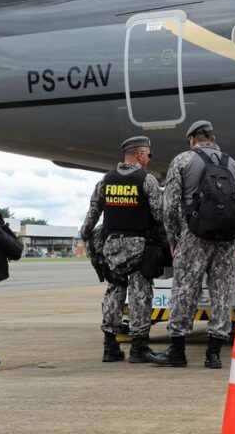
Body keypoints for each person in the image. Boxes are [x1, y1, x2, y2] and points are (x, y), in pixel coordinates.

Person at [148, 120, 235, 369]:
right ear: (213, 138)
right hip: (224, 240)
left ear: (192, 139)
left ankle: (178, 351)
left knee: (184, 291)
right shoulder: (233, 165)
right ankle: (214, 354)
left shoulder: (182, 161)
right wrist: (232, 236)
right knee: (222, 292)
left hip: (193, 237)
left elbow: (169, 206)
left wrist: (173, 238)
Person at [80, 136, 164, 364]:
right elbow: (159, 214)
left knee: (114, 291)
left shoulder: (106, 180)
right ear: (139, 154)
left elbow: (93, 213)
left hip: (112, 246)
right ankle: (138, 347)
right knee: (140, 294)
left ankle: (110, 346)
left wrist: (86, 234)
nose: (149, 157)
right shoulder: (146, 180)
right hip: (138, 246)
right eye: (148, 153)